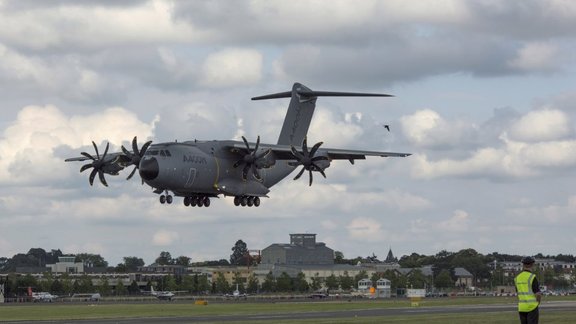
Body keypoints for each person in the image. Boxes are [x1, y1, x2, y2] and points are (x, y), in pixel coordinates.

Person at [514, 256, 542, 324]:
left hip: (522, 308)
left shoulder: (517, 278)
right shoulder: (532, 277)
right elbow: (538, 294)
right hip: (532, 307)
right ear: (532, 264)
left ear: (523, 265)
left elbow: (518, 292)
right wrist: (537, 303)